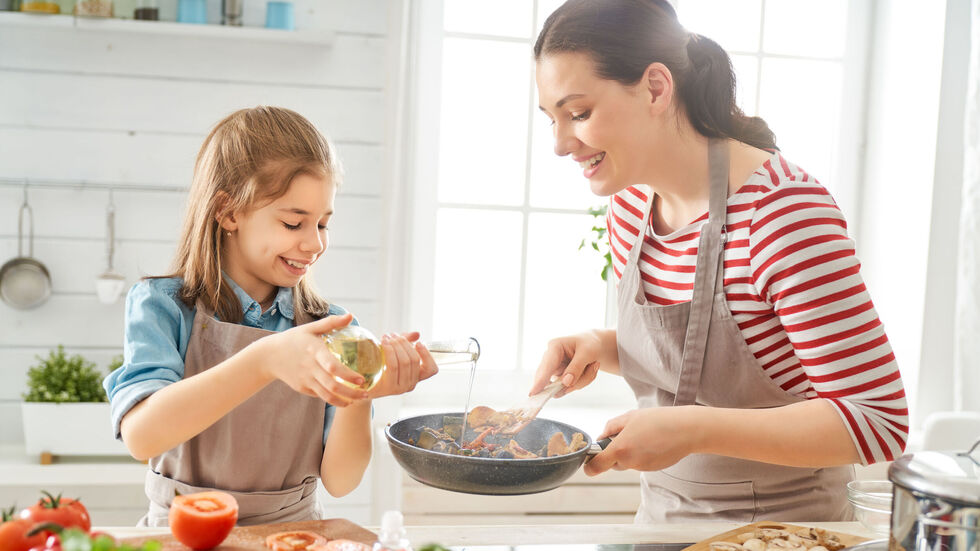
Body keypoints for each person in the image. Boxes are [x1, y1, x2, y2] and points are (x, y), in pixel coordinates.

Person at [529, 0, 908, 522]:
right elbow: (699, 360)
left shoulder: (783, 213)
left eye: (579, 114)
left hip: (784, 533)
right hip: (662, 525)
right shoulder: (632, 207)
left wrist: (692, 429)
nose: (559, 144)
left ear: (657, 88)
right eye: (552, 119)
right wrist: (603, 347)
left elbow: (877, 420)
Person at [103, 106, 438, 527]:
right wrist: (266, 359)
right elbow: (142, 435)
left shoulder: (330, 327)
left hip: (295, 533)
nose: (314, 244)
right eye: (294, 223)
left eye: (322, 224)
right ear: (228, 213)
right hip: (183, 534)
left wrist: (359, 392)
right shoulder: (163, 306)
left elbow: (341, 480)